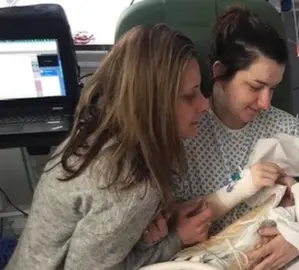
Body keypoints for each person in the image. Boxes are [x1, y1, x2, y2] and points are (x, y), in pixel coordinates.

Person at [6, 24, 213, 270]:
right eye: (190, 95)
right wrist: (177, 239)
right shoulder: (133, 186)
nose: (204, 105)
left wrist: (147, 234)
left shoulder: (96, 131)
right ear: (152, 106)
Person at [172, 6, 299, 270]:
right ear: (219, 72)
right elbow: (167, 228)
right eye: (255, 86)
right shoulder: (186, 132)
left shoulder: (282, 126)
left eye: (273, 89)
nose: (265, 102)